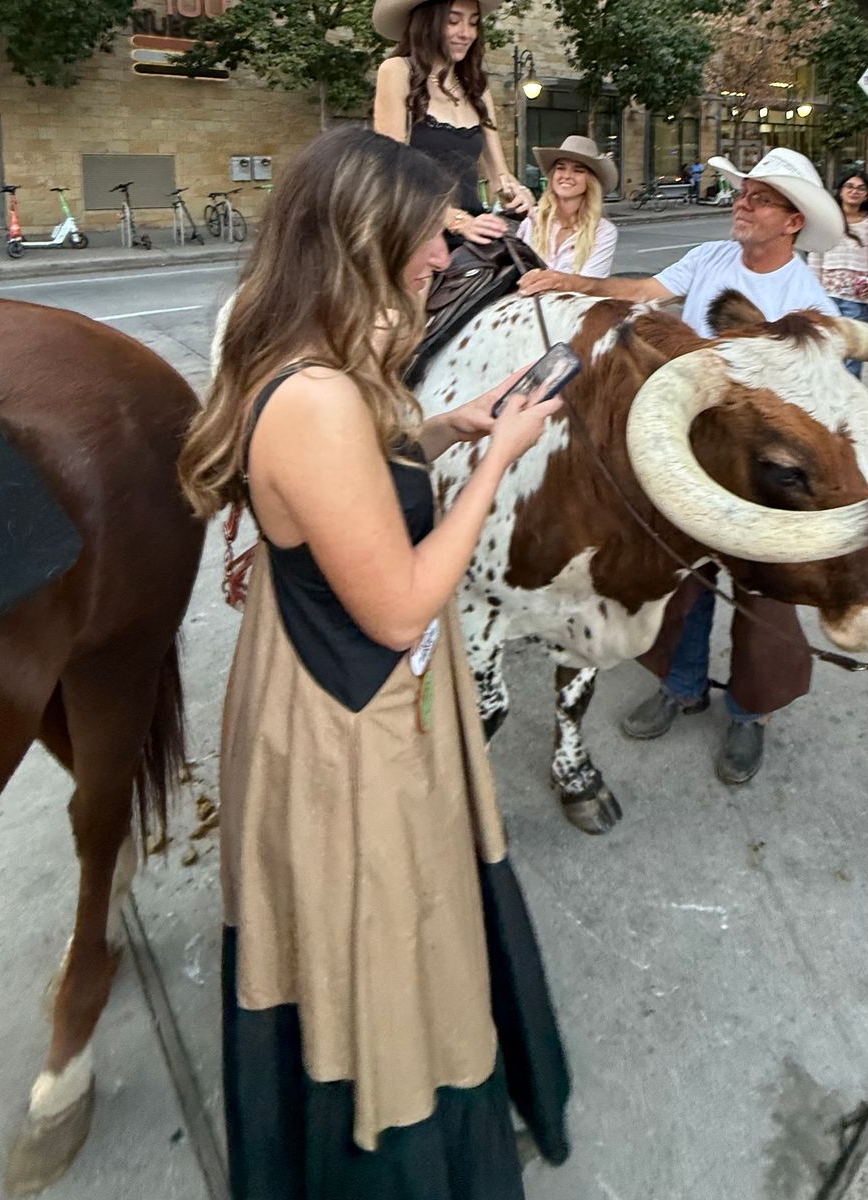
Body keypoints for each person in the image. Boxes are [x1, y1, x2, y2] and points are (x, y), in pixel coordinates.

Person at [180, 126, 569, 1198]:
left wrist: (448, 427)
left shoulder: (325, 360)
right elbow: (400, 609)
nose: (445, 256)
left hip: (329, 673)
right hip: (342, 713)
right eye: (427, 234)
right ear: (363, 238)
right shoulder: (313, 397)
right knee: (383, 929)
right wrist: (496, 463)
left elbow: (358, 479)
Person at [518, 147, 844, 786]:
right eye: (742, 194)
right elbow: (642, 292)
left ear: (792, 221)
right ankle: (683, 684)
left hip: (754, 472)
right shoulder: (712, 257)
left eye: (757, 199)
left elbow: (810, 410)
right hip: (690, 450)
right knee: (681, 579)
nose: (740, 205)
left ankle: (750, 712)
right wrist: (572, 283)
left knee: (760, 591)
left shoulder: (807, 304)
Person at [373, 0, 535, 244]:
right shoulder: (397, 71)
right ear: (428, 23)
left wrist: (518, 195)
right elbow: (391, 174)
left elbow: (501, 179)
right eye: (453, 21)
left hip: (471, 237)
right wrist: (456, 221)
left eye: (473, 23)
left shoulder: (476, 87)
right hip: (416, 236)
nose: (466, 33)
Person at [807, 167, 868, 379]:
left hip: (857, 300)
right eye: (849, 186)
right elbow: (816, 257)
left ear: (867, 194)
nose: (855, 191)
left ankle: (850, 405)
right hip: (827, 299)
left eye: (861, 188)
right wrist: (815, 295)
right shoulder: (828, 219)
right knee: (825, 353)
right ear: (841, 190)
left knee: (853, 356)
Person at [517, 135, 617, 275]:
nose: (567, 175)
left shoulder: (603, 232)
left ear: (591, 181)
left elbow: (591, 284)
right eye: (561, 168)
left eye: (578, 170)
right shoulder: (532, 221)